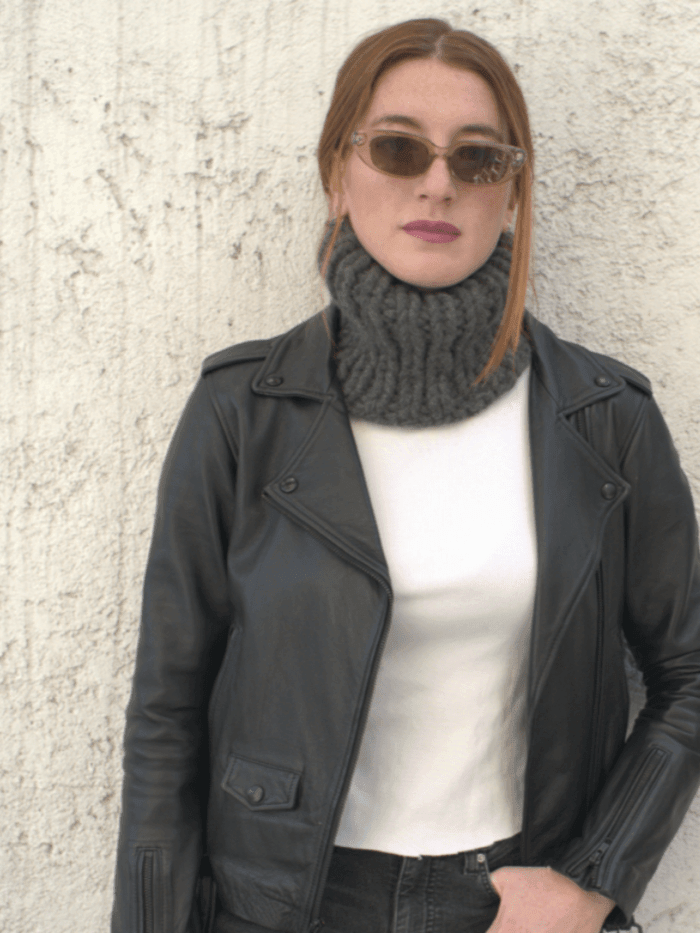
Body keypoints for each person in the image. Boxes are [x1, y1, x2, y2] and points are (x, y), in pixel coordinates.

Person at [111, 18, 700, 933]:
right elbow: (166, 711)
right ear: (337, 173)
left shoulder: (603, 418)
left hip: (512, 905)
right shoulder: (244, 411)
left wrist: (591, 880)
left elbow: (691, 670)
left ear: (512, 191)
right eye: (396, 147)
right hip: (283, 905)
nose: (437, 182)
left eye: (478, 157)